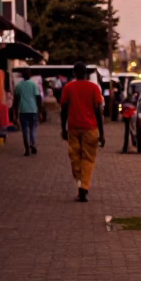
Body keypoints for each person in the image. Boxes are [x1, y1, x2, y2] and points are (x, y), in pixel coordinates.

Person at [60, 62, 105, 202]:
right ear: (86, 73)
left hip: (73, 128)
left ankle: (82, 186)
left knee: (75, 158)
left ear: (74, 73)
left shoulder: (68, 87)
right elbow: (98, 111)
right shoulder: (94, 88)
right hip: (90, 128)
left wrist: (63, 128)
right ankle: (83, 186)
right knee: (87, 159)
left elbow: (64, 110)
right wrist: (102, 133)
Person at [12, 68, 44, 156]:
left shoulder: (19, 86)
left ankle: (27, 149)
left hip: (23, 110)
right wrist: (41, 111)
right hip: (33, 110)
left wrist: (14, 113)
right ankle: (32, 144)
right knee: (33, 128)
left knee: (25, 130)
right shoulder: (34, 85)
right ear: (30, 75)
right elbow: (38, 98)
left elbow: (16, 100)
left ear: (22, 76)